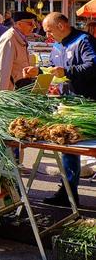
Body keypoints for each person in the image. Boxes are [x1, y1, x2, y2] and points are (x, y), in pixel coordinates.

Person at [41, 12, 96, 207]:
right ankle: (68, 192)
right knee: (68, 150)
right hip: (67, 105)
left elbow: (93, 65)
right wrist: (38, 72)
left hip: (88, 104)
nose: (48, 35)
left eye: (49, 30)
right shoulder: (56, 46)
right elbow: (52, 68)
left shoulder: (84, 40)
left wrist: (68, 72)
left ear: (62, 25)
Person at [0, 11, 39, 90]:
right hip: (11, 93)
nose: (34, 27)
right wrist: (1, 96)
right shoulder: (9, 39)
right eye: (30, 24)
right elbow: (2, 70)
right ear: (19, 24)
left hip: (20, 90)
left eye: (34, 24)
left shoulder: (20, 37)